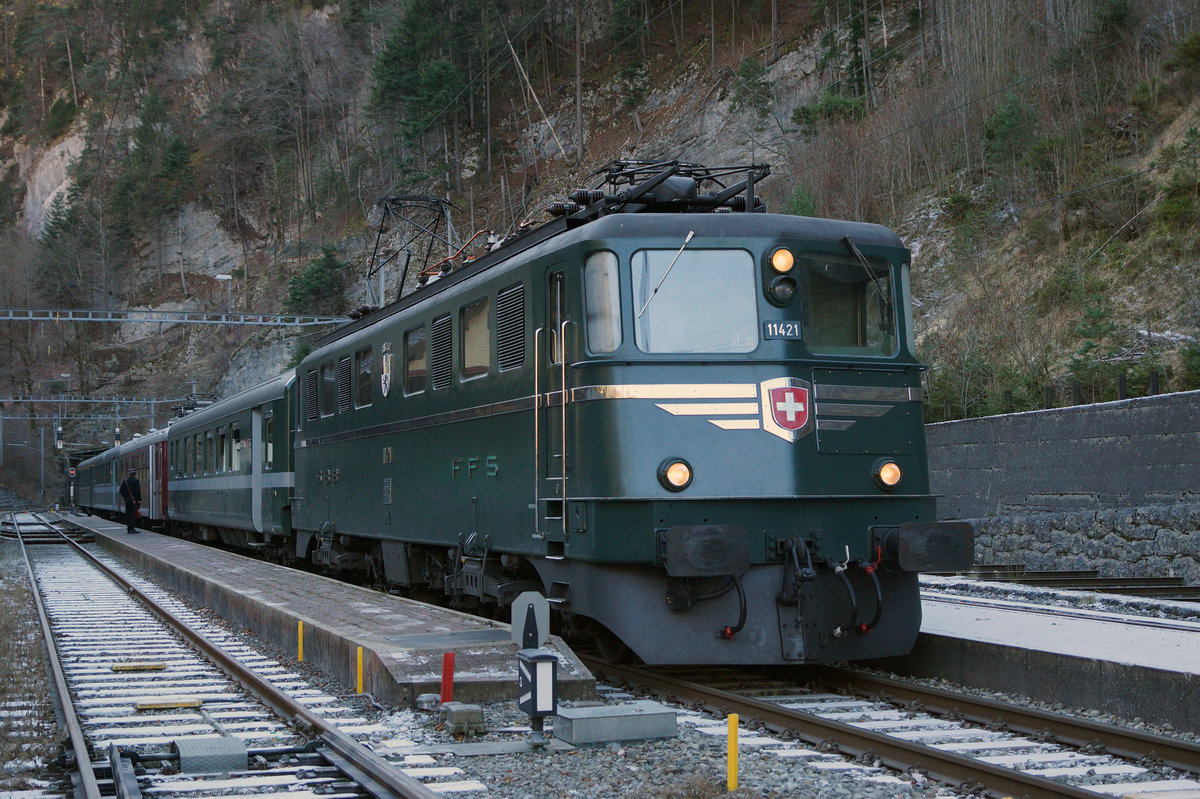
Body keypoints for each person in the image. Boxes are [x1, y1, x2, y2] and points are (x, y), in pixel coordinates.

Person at [118, 468, 141, 534]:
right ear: (134, 474)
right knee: (133, 515)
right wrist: (139, 500)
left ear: (129, 474)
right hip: (134, 501)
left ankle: (129, 528)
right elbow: (138, 492)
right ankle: (132, 528)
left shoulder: (125, 481)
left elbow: (121, 491)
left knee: (128, 515)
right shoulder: (136, 481)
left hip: (127, 501)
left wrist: (126, 497)